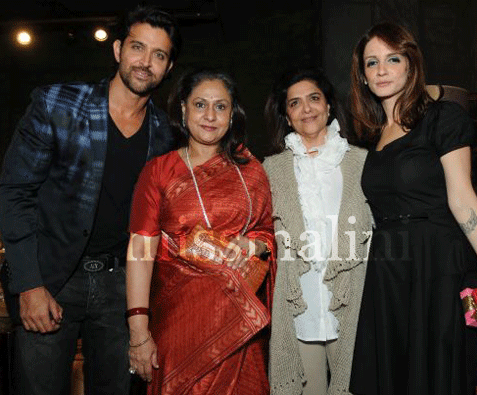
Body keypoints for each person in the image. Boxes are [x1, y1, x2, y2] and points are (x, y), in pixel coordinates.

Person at [0, 5, 180, 394]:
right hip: (52, 280)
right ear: (117, 50)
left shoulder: (165, 135)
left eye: (159, 55)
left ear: (167, 68)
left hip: (121, 288)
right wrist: (28, 285)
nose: (146, 62)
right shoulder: (57, 104)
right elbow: (15, 193)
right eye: (137, 47)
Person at [348, 22, 477, 394]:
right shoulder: (373, 135)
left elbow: (462, 198)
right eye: (371, 63)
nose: (382, 70)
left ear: (411, 65)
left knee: (439, 374)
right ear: (361, 74)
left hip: (437, 262)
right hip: (389, 268)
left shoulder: (442, 117)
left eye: (392, 59)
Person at [125, 68, 275, 394]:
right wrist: (139, 332)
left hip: (238, 326)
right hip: (179, 326)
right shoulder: (159, 172)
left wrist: (252, 246)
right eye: (200, 105)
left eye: (221, 106)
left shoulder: (251, 171)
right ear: (183, 109)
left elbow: (267, 233)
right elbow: (139, 251)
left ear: (232, 114)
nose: (210, 115)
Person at [262, 67, 372, 394]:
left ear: (328, 105)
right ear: (286, 114)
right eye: (295, 103)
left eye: (314, 98)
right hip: (299, 309)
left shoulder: (361, 162)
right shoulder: (272, 169)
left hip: (352, 304)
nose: (306, 108)